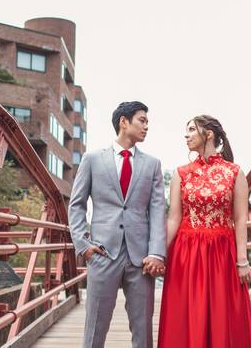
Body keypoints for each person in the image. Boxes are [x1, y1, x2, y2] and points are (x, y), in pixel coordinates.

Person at [68, 100, 167, 348]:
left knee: (143, 328)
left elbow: (157, 211)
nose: (146, 127)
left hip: (141, 258)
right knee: (95, 327)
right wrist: (83, 245)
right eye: (142, 120)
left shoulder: (152, 164)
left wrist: (156, 252)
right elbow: (76, 204)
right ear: (124, 122)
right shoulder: (92, 159)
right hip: (102, 253)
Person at [157, 114, 251, 347]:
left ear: (208, 134)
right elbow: (173, 218)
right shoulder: (180, 174)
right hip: (186, 254)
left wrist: (243, 260)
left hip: (223, 253)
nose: (186, 135)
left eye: (192, 129)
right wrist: (159, 253)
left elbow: (241, 218)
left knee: (223, 315)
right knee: (186, 314)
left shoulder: (234, 173)